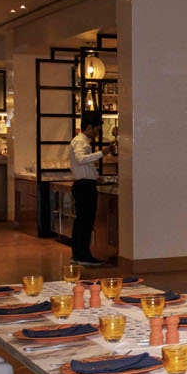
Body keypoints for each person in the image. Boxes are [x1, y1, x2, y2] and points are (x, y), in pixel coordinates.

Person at [69, 111, 113, 266]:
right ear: (89, 127)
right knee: (86, 222)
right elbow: (81, 159)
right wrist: (102, 153)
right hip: (85, 186)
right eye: (96, 130)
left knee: (81, 221)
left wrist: (95, 175)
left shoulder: (79, 141)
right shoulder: (81, 141)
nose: (97, 133)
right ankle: (84, 256)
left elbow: (84, 164)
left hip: (83, 184)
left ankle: (78, 254)